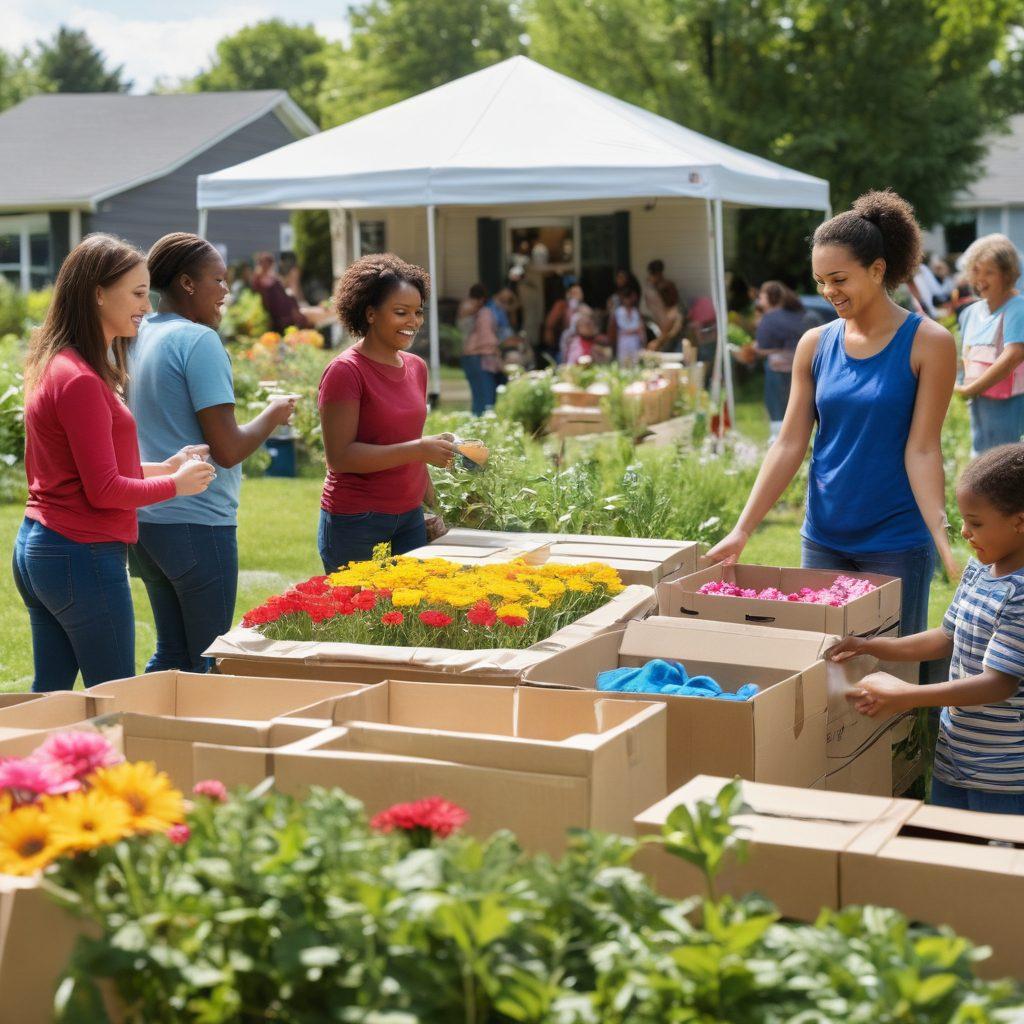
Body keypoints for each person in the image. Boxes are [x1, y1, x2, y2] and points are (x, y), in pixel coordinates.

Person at [707, 190, 959, 642]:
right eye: (820, 280)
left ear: (877, 270)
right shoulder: (815, 343)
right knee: (823, 665)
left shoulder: (929, 342)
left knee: (890, 669)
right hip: (823, 537)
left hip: (895, 542)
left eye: (839, 279)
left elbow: (922, 449)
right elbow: (789, 443)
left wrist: (940, 535)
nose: (828, 292)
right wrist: (742, 529)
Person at [13, 234, 215, 691]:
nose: (147, 305)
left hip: (44, 546)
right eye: (138, 293)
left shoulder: (60, 363)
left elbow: (87, 471)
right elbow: (104, 491)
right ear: (98, 294)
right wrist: (177, 486)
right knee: (114, 698)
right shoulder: (81, 380)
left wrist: (167, 467)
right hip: (78, 553)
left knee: (49, 699)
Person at [128, 233, 298, 673]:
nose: (226, 291)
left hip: (146, 519)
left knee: (172, 654)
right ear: (187, 283)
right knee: (209, 660)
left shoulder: (138, 333)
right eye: (217, 280)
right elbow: (227, 449)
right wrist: (272, 414)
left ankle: (137, 719)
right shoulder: (198, 341)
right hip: (197, 521)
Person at [830, 444, 1024, 814]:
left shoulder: (1020, 594)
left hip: (1003, 778)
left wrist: (908, 695)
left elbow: (999, 683)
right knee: (948, 848)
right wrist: (871, 646)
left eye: (976, 523)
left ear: (1019, 522)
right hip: (955, 759)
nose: (964, 532)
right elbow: (946, 637)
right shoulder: (979, 573)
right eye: (963, 520)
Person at [318, 253, 457, 571]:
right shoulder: (345, 371)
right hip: (356, 519)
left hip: (410, 516)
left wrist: (436, 506)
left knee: (412, 602)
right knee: (358, 604)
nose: (413, 322)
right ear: (370, 313)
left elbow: (409, 441)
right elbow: (340, 457)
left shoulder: (416, 367)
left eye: (418, 312)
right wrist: (419, 449)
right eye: (401, 312)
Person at [954, 234, 1024, 454]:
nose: (980, 278)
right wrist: (960, 382)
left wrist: (970, 389)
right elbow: (964, 356)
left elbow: (1013, 356)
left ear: (1007, 274)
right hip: (978, 403)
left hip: (1009, 405)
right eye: (976, 270)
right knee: (981, 456)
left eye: (989, 272)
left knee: (1004, 461)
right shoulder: (970, 313)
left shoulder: (1017, 309)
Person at [751, 281, 806, 441]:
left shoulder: (769, 318)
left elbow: (761, 348)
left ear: (770, 297)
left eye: (762, 296)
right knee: (796, 405)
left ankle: (778, 439)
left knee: (776, 407)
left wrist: (755, 348)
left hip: (777, 368)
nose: (759, 299)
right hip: (799, 366)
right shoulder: (795, 314)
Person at [457, 284, 503, 416]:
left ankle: (476, 422)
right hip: (481, 356)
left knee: (477, 396)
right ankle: (484, 423)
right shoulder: (485, 312)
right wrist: (496, 351)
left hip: (467, 356)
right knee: (486, 397)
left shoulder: (465, 307)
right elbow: (486, 338)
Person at [608, 286, 645, 366]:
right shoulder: (618, 312)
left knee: (635, 362)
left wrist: (642, 340)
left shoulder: (636, 311)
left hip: (635, 340)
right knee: (623, 363)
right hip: (623, 340)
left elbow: (640, 328)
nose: (628, 301)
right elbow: (614, 329)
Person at [648, 281, 686, 353]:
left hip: (674, 347)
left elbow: (668, 334)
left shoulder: (674, 312)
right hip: (670, 346)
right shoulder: (671, 309)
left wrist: (656, 342)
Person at [643, 259, 676, 324]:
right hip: (653, 314)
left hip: (664, 314)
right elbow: (647, 301)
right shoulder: (648, 285)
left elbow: (673, 301)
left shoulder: (667, 284)